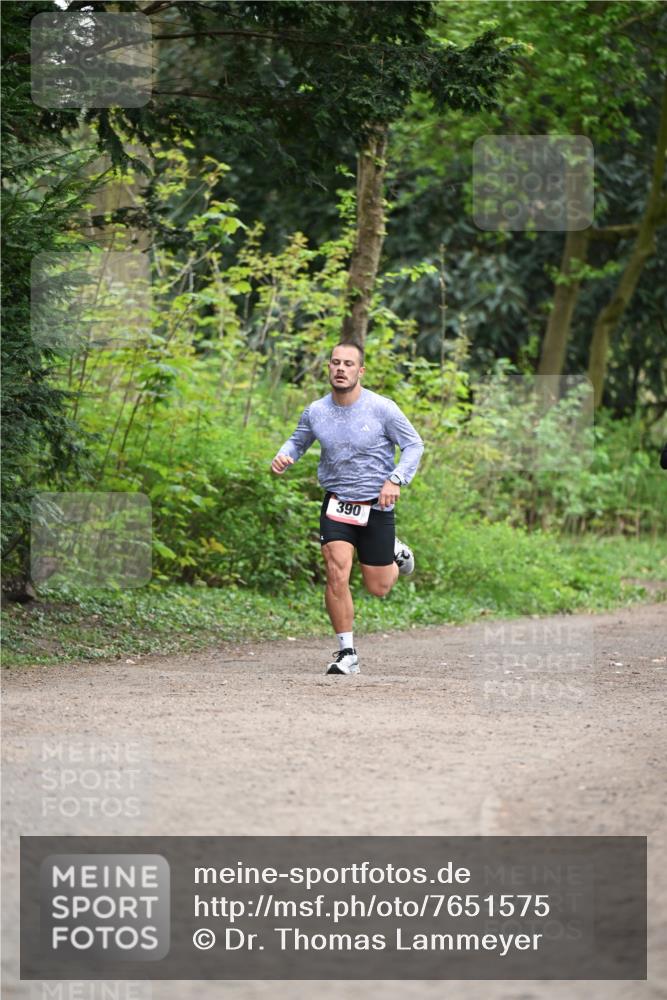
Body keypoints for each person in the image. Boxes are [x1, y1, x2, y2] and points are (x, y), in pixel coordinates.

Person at [271, 342, 424, 676]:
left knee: (378, 587)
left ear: (360, 371)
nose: (341, 369)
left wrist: (396, 479)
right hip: (337, 503)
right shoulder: (316, 411)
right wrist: (285, 456)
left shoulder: (382, 408)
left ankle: (395, 553)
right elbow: (297, 441)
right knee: (336, 570)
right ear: (329, 367)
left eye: (348, 364)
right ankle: (347, 652)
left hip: (377, 506)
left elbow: (414, 445)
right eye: (336, 363)